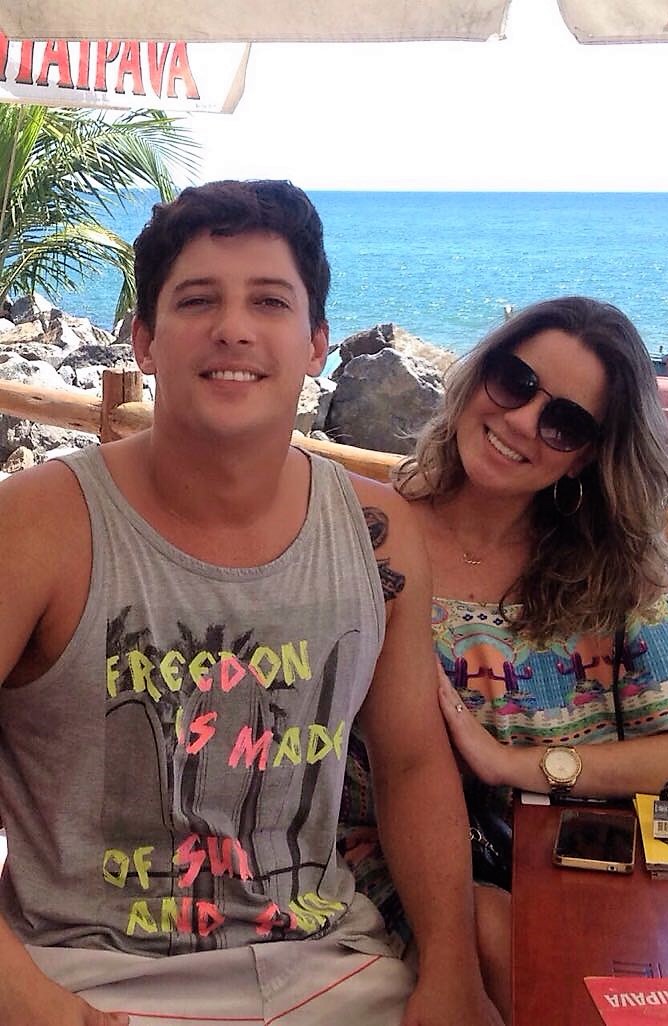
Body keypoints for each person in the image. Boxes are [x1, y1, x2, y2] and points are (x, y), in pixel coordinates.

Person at [0, 180, 501, 1026]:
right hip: (87, 971)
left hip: (326, 962)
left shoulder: (378, 534)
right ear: (145, 341)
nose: (233, 327)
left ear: (316, 345)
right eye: (198, 300)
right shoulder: (39, 526)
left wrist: (451, 971)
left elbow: (413, 765)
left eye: (269, 301)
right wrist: (30, 1001)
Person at [340, 296, 668, 1021]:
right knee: (499, 933)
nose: (521, 422)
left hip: (578, 863)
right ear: (479, 373)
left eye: (563, 422)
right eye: (515, 382)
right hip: (399, 865)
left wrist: (519, 765)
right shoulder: (371, 537)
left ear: (590, 454)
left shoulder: (614, 573)